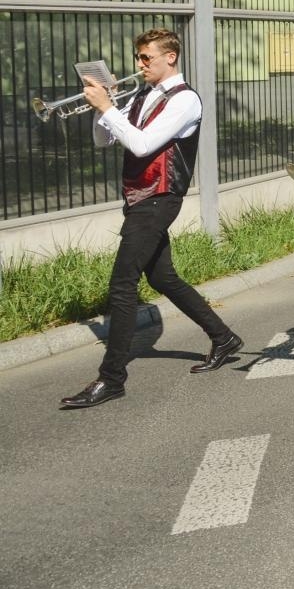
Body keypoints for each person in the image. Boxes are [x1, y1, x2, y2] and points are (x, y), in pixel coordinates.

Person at [60, 29, 244, 410]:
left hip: (160, 199)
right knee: (162, 277)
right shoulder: (142, 94)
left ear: (170, 57)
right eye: (139, 58)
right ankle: (223, 337)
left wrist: (109, 108)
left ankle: (112, 379)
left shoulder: (186, 100)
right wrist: (103, 108)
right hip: (138, 197)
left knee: (122, 286)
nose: (140, 65)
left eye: (147, 58)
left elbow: (143, 144)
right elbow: (105, 140)